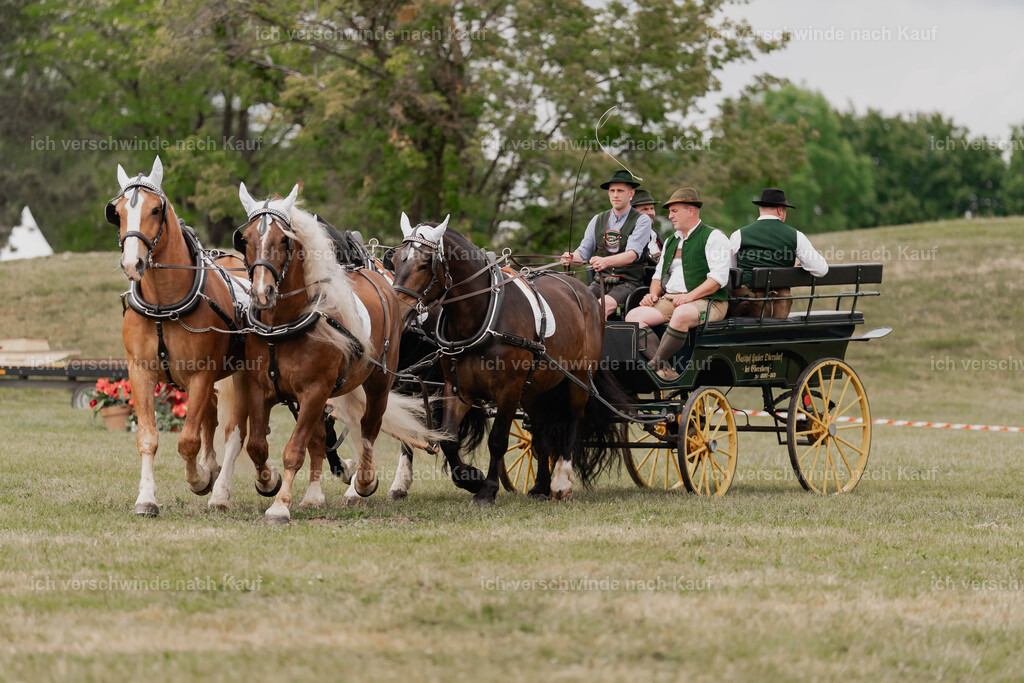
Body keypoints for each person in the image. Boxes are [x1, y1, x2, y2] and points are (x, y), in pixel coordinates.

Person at [624, 187, 730, 380]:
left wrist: (689, 297)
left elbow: (717, 280)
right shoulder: (672, 241)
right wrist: (653, 294)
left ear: (691, 211)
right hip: (672, 299)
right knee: (633, 316)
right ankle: (666, 370)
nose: (670, 216)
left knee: (681, 313)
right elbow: (659, 275)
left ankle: (654, 365)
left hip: (709, 301)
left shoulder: (714, 237)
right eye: (670, 212)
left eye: (674, 211)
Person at [561, 169, 653, 318]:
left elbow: (632, 255)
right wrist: (572, 258)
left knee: (600, 308)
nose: (615, 195)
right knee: (572, 305)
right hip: (600, 282)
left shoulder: (642, 220)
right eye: (612, 191)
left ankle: (597, 342)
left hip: (629, 282)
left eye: (620, 191)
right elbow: (583, 253)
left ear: (631, 194)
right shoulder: (597, 219)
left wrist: (605, 261)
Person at [729, 188, 829, 318]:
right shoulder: (796, 236)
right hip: (780, 309)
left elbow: (729, 270)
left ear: (760, 209)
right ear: (780, 210)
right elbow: (821, 270)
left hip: (751, 309)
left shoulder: (739, 235)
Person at [631, 189, 662, 264]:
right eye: (645, 209)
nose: (651, 213)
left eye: (652, 208)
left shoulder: (655, 235)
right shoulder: (626, 236)